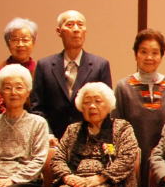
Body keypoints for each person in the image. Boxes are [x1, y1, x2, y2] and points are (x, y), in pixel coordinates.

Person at [113, 28, 165, 187]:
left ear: (161, 56)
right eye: (143, 52)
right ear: (135, 54)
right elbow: (115, 127)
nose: (149, 57)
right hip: (132, 158)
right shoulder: (123, 87)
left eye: (155, 53)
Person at [32, 10, 113, 139]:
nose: (76, 29)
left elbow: (106, 107)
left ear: (85, 31)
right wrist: (48, 134)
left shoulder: (100, 65)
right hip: (53, 140)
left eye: (80, 25)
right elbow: (37, 107)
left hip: (89, 139)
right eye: (70, 25)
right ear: (59, 31)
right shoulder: (44, 65)